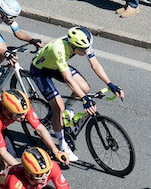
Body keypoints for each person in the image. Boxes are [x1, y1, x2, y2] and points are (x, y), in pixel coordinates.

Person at [27, 26, 121, 159]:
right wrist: (85, 99)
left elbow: (95, 64)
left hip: (56, 66)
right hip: (41, 71)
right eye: (82, 49)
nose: (85, 51)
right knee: (59, 107)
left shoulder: (83, 44)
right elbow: (68, 79)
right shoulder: (58, 48)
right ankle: (61, 145)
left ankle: (68, 109)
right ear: (73, 45)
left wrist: (110, 84)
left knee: (84, 88)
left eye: (86, 48)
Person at [0, 91, 66, 172]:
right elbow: (2, 152)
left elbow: (39, 128)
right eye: (18, 115)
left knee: (12, 158)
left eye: (24, 113)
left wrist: (55, 150)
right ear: (6, 110)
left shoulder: (20, 106)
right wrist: (26, 170)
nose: (23, 117)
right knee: (1, 165)